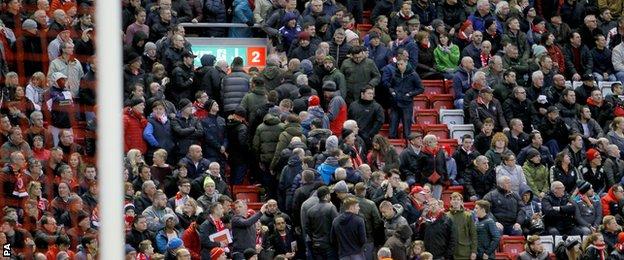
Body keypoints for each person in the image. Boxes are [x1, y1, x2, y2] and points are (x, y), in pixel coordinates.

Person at [388, 58, 423, 139]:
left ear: (406, 63)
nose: (399, 66)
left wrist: (410, 94)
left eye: (401, 64)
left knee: (407, 131)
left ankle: (406, 148)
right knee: (392, 129)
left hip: (407, 104)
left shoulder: (413, 74)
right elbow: (390, 86)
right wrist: (392, 92)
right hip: (395, 103)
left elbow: (421, 88)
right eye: (398, 64)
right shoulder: (395, 74)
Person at [305, 186, 338, 259]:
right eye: (329, 194)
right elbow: (337, 225)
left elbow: (307, 228)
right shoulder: (331, 208)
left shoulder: (310, 210)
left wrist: (313, 238)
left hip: (316, 244)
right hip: (329, 245)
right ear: (326, 196)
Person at [446, 192, 477, 259]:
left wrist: (474, 251)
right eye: (454, 200)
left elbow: (473, 234)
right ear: (450, 202)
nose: (456, 201)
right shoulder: (446, 216)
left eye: (458, 200)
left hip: (464, 251)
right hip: (449, 252)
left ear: (461, 202)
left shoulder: (468, 216)